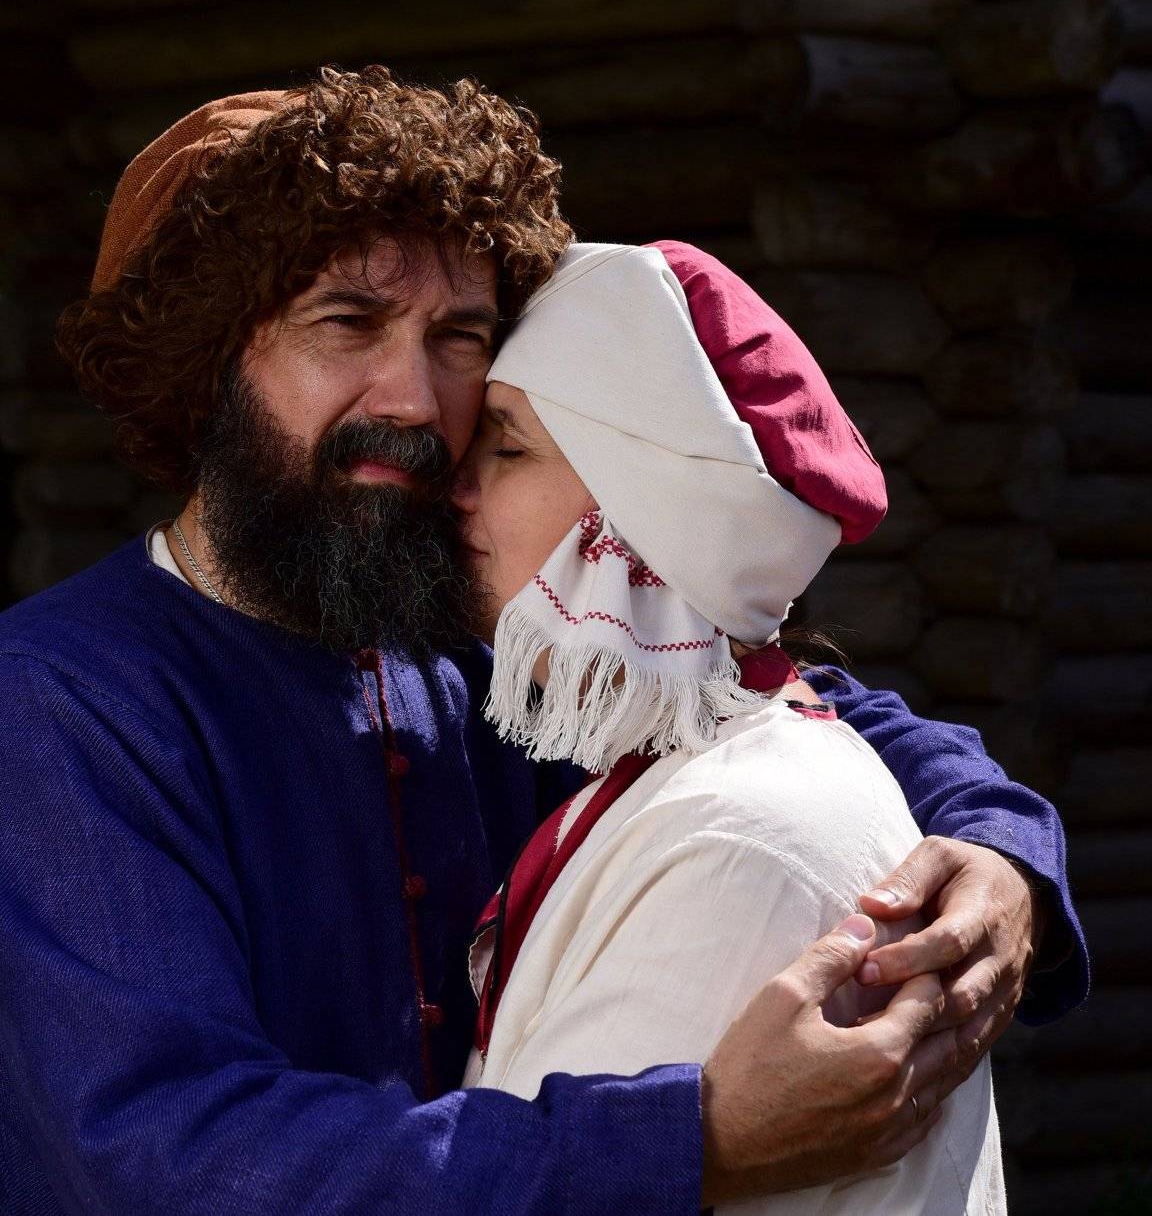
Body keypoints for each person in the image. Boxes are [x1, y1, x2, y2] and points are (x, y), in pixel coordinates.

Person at [0, 67, 1085, 1213]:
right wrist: (699, 1138)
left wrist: (1003, 857)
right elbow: (172, 1157)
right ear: (206, 362)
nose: (416, 398)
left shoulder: (494, 633)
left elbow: (758, 697)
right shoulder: (60, 703)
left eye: (458, 336)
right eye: (348, 323)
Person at [455, 239, 1007, 1210]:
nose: (457, 486)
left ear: (632, 521)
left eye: (506, 447)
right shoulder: (688, 769)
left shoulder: (738, 844)